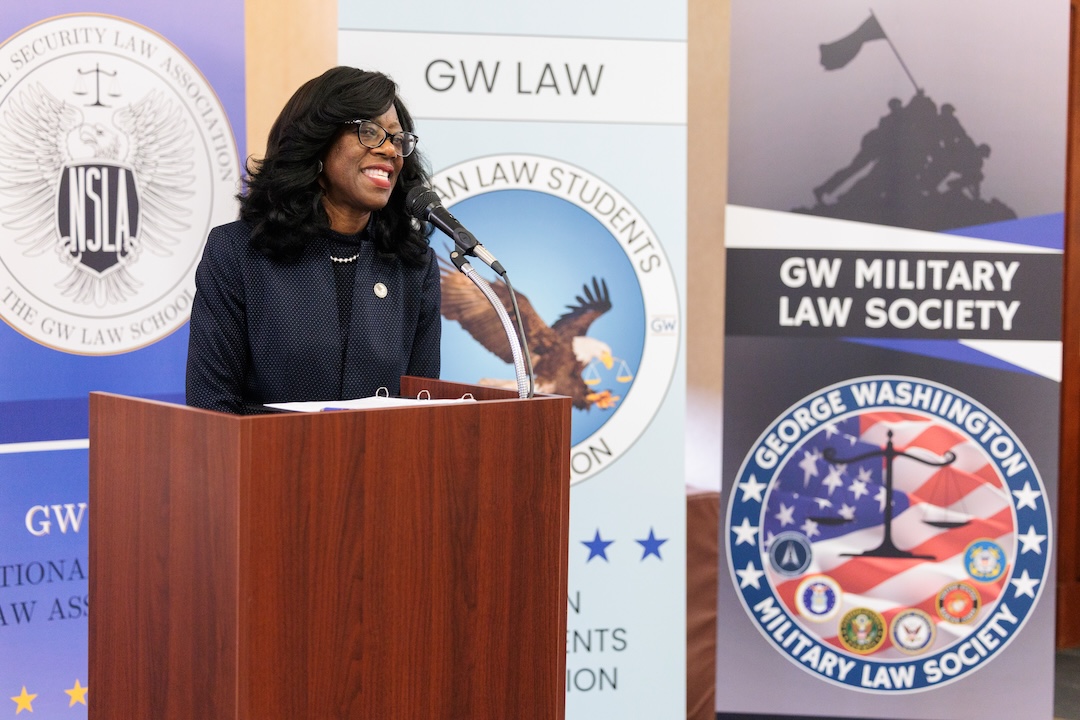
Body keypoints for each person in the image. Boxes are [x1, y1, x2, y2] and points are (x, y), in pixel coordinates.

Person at [186, 67, 440, 414]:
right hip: (265, 464)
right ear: (317, 141)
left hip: (382, 467)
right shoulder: (238, 253)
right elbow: (212, 408)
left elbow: (423, 411)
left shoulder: (413, 265)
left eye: (397, 139)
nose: (390, 151)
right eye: (369, 132)